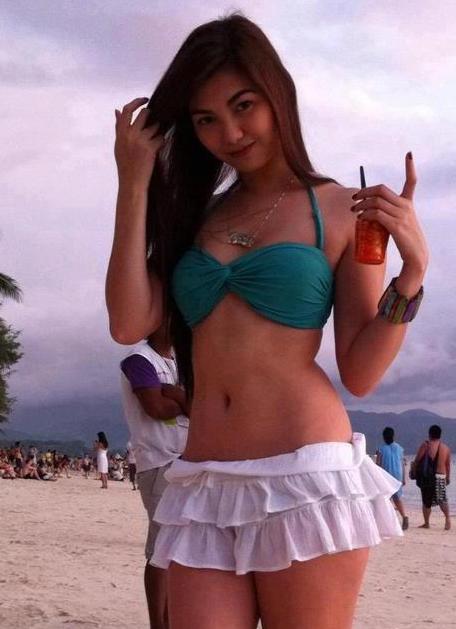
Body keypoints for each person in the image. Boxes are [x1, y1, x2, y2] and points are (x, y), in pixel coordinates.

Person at [106, 14, 428, 629]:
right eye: (205, 119)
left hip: (305, 475)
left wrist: (411, 275)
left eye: (243, 106)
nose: (229, 133)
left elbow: (360, 372)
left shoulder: (343, 209)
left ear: (277, 93)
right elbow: (128, 322)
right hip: (203, 480)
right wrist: (134, 182)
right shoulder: (195, 216)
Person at [119, 324, 189, 629]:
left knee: (178, 547)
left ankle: (172, 619)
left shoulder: (179, 361)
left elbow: (201, 405)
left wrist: (179, 396)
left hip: (185, 460)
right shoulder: (139, 359)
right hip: (159, 461)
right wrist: (185, 400)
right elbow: (156, 408)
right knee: (161, 549)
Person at [413, 424, 451, 530]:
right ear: (440, 435)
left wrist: (414, 471)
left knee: (426, 501)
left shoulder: (426, 445)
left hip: (428, 477)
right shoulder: (446, 448)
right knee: (442, 499)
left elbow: (417, 460)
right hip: (441, 476)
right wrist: (448, 478)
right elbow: (448, 465)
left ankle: (427, 523)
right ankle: (447, 519)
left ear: (429, 434)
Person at [376, 427, 408, 531]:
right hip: (397, 476)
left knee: (386, 499)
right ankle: (404, 516)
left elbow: (378, 465)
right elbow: (402, 465)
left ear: (384, 437)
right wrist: (403, 478)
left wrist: (376, 478)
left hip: (386, 476)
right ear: (393, 436)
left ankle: (389, 521)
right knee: (397, 498)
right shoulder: (399, 448)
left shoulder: (381, 449)